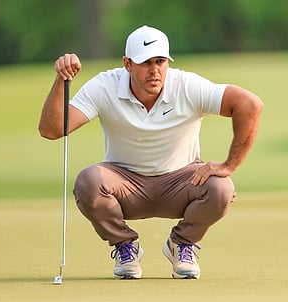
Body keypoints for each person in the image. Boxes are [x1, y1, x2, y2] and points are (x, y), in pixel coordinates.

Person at [38, 25, 263, 280]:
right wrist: (60, 81)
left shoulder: (186, 85)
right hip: (125, 183)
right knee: (88, 182)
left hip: (182, 181)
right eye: (145, 63)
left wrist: (229, 165)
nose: (155, 70)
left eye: (160, 61)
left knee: (221, 188)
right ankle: (125, 246)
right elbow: (52, 129)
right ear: (127, 64)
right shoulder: (105, 85)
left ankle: (181, 244)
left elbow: (250, 104)